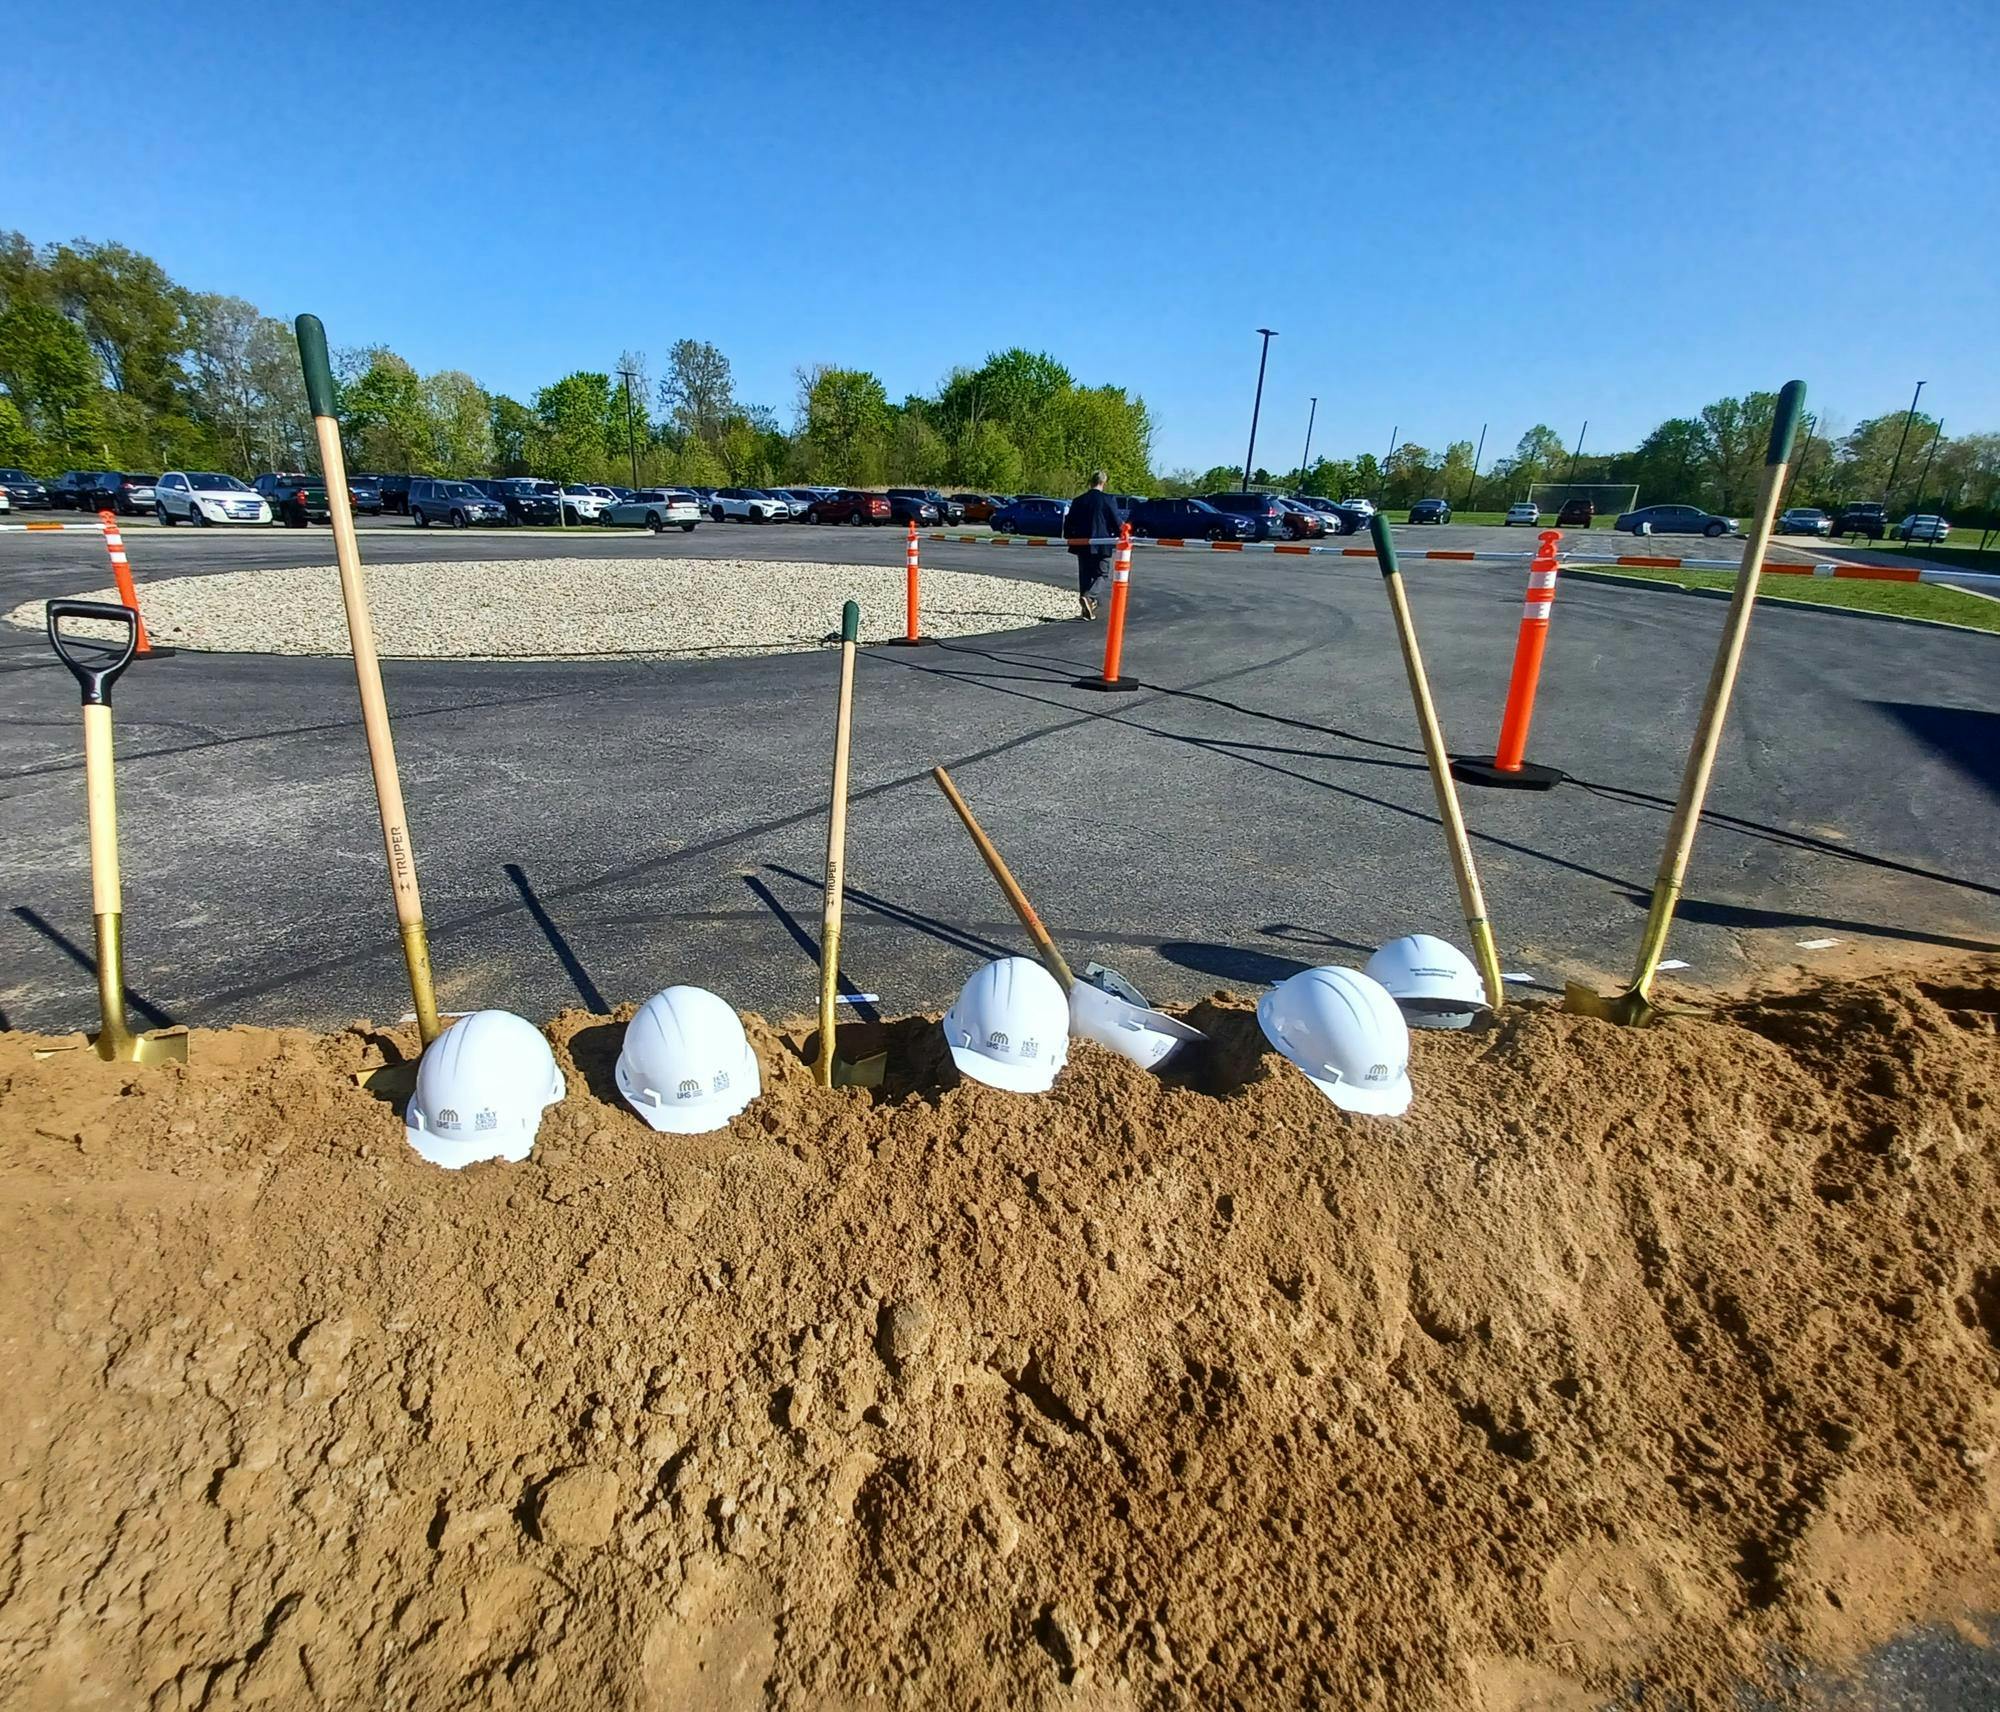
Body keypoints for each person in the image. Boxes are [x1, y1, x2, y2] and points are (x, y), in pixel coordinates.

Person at [1063, 472, 1122, 620]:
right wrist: (1121, 534)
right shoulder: (1108, 499)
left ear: (1090, 482)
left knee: (1085, 574)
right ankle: (1089, 597)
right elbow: (1115, 520)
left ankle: (1086, 609)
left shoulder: (1079, 500)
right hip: (1102, 542)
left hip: (1082, 542)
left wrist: (1070, 537)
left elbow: (1069, 522)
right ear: (1104, 482)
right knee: (1102, 574)